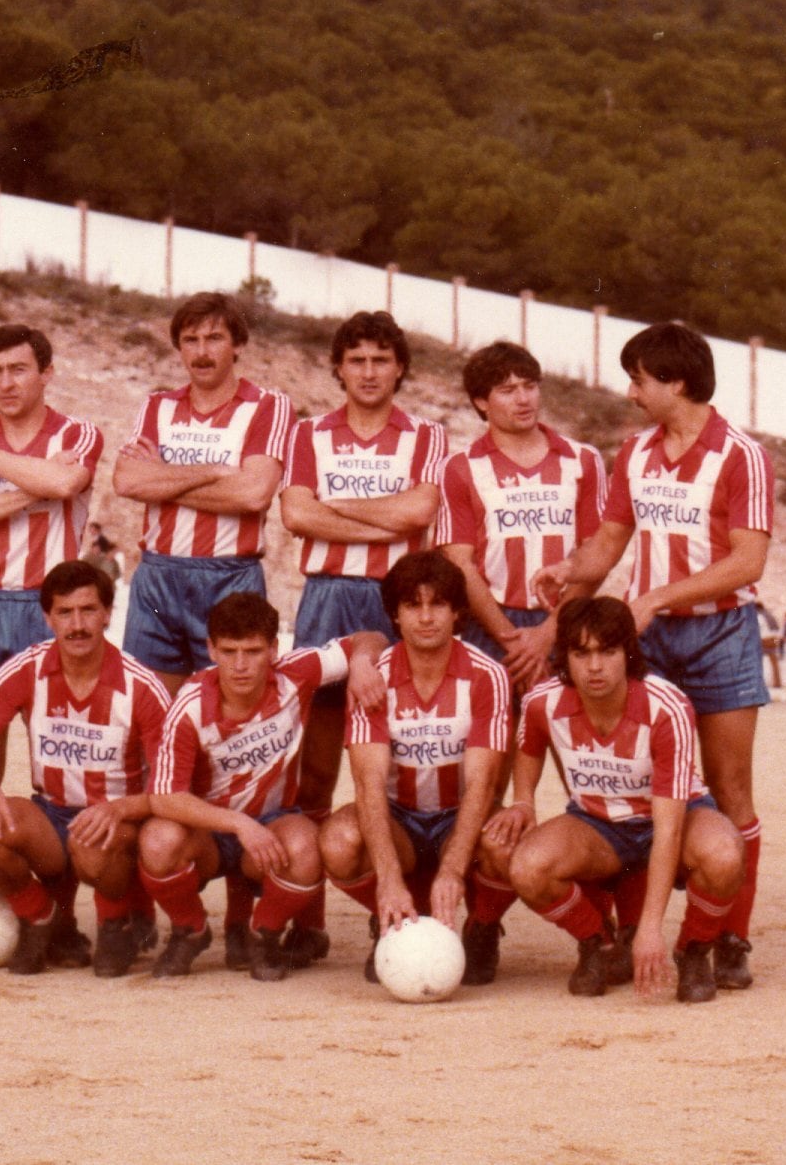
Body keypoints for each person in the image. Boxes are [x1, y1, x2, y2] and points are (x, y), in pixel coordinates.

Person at [532, 321, 773, 992]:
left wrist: (660, 595)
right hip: (650, 634)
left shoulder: (741, 455)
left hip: (720, 632)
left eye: (639, 378)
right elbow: (611, 541)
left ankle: (727, 937)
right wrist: (571, 571)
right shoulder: (634, 450)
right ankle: (621, 936)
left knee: (729, 792)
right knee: (628, 788)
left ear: (678, 381)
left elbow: (748, 560)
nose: (631, 391)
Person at [278, 311, 448, 966]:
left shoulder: (425, 434)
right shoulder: (310, 432)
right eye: (357, 360)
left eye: (382, 358)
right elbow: (295, 512)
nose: (370, 371)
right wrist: (379, 514)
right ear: (339, 368)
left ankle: (407, 908)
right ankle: (308, 918)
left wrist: (334, 508)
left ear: (399, 366)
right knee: (317, 769)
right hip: (327, 598)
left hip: (399, 600)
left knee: (406, 761)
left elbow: (418, 512)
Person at [482, 597, 744, 1002]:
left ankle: (693, 949)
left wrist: (651, 929)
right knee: (527, 866)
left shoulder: (665, 707)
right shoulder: (543, 702)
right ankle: (598, 944)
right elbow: (530, 748)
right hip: (598, 825)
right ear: (565, 657)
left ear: (628, 653)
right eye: (580, 653)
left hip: (673, 820)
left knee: (724, 852)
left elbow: (669, 829)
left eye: (608, 651)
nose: (594, 666)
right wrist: (522, 801)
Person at [136, 592, 384, 981]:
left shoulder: (294, 673)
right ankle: (190, 929)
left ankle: (263, 934)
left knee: (305, 846)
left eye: (252, 651)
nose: (240, 666)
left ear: (273, 648)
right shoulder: (190, 706)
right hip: (212, 833)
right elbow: (164, 797)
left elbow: (369, 637)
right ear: (211, 650)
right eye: (229, 651)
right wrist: (237, 824)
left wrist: (363, 663)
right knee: (157, 840)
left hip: (272, 823)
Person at [0, 561, 172, 978]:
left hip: (115, 824)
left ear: (108, 612)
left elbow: (169, 787)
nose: (78, 625)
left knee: (91, 842)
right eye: (65, 613)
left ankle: (115, 922)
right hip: (50, 816)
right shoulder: (27, 668)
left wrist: (121, 810)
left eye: (88, 610)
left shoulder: (140, 685)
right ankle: (39, 916)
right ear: (47, 617)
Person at [318, 552, 509, 985]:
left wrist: (453, 869)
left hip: (457, 815)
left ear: (458, 611)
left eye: (437, 604)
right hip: (399, 818)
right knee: (338, 840)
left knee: (507, 845)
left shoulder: (487, 675)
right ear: (395, 615)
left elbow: (483, 784)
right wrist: (386, 878)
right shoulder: (374, 678)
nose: (426, 617)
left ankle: (481, 926)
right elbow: (367, 786)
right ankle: (394, 917)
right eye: (413, 605)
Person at [111, 292, 292, 695]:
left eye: (214, 338)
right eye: (190, 340)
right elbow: (126, 482)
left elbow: (253, 494)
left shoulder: (267, 406)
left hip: (229, 576)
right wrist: (212, 472)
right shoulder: (157, 406)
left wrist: (161, 477)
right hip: (158, 574)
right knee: (152, 714)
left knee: (228, 719)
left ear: (238, 344)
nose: (202, 352)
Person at [0, 324, 105, 704]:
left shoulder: (77, 435)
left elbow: (62, 485)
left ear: (47, 373)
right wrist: (32, 486)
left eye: (18, 369)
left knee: (55, 736)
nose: (5, 383)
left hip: (50, 602)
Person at [437, 341, 605, 695]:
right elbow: (460, 564)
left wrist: (548, 633)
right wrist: (513, 641)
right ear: (482, 402)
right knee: (496, 745)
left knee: (574, 743)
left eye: (530, 386)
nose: (523, 399)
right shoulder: (460, 467)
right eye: (508, 390)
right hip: (491, 623)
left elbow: (596, 552)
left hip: (567, 620)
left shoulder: (583, 459)